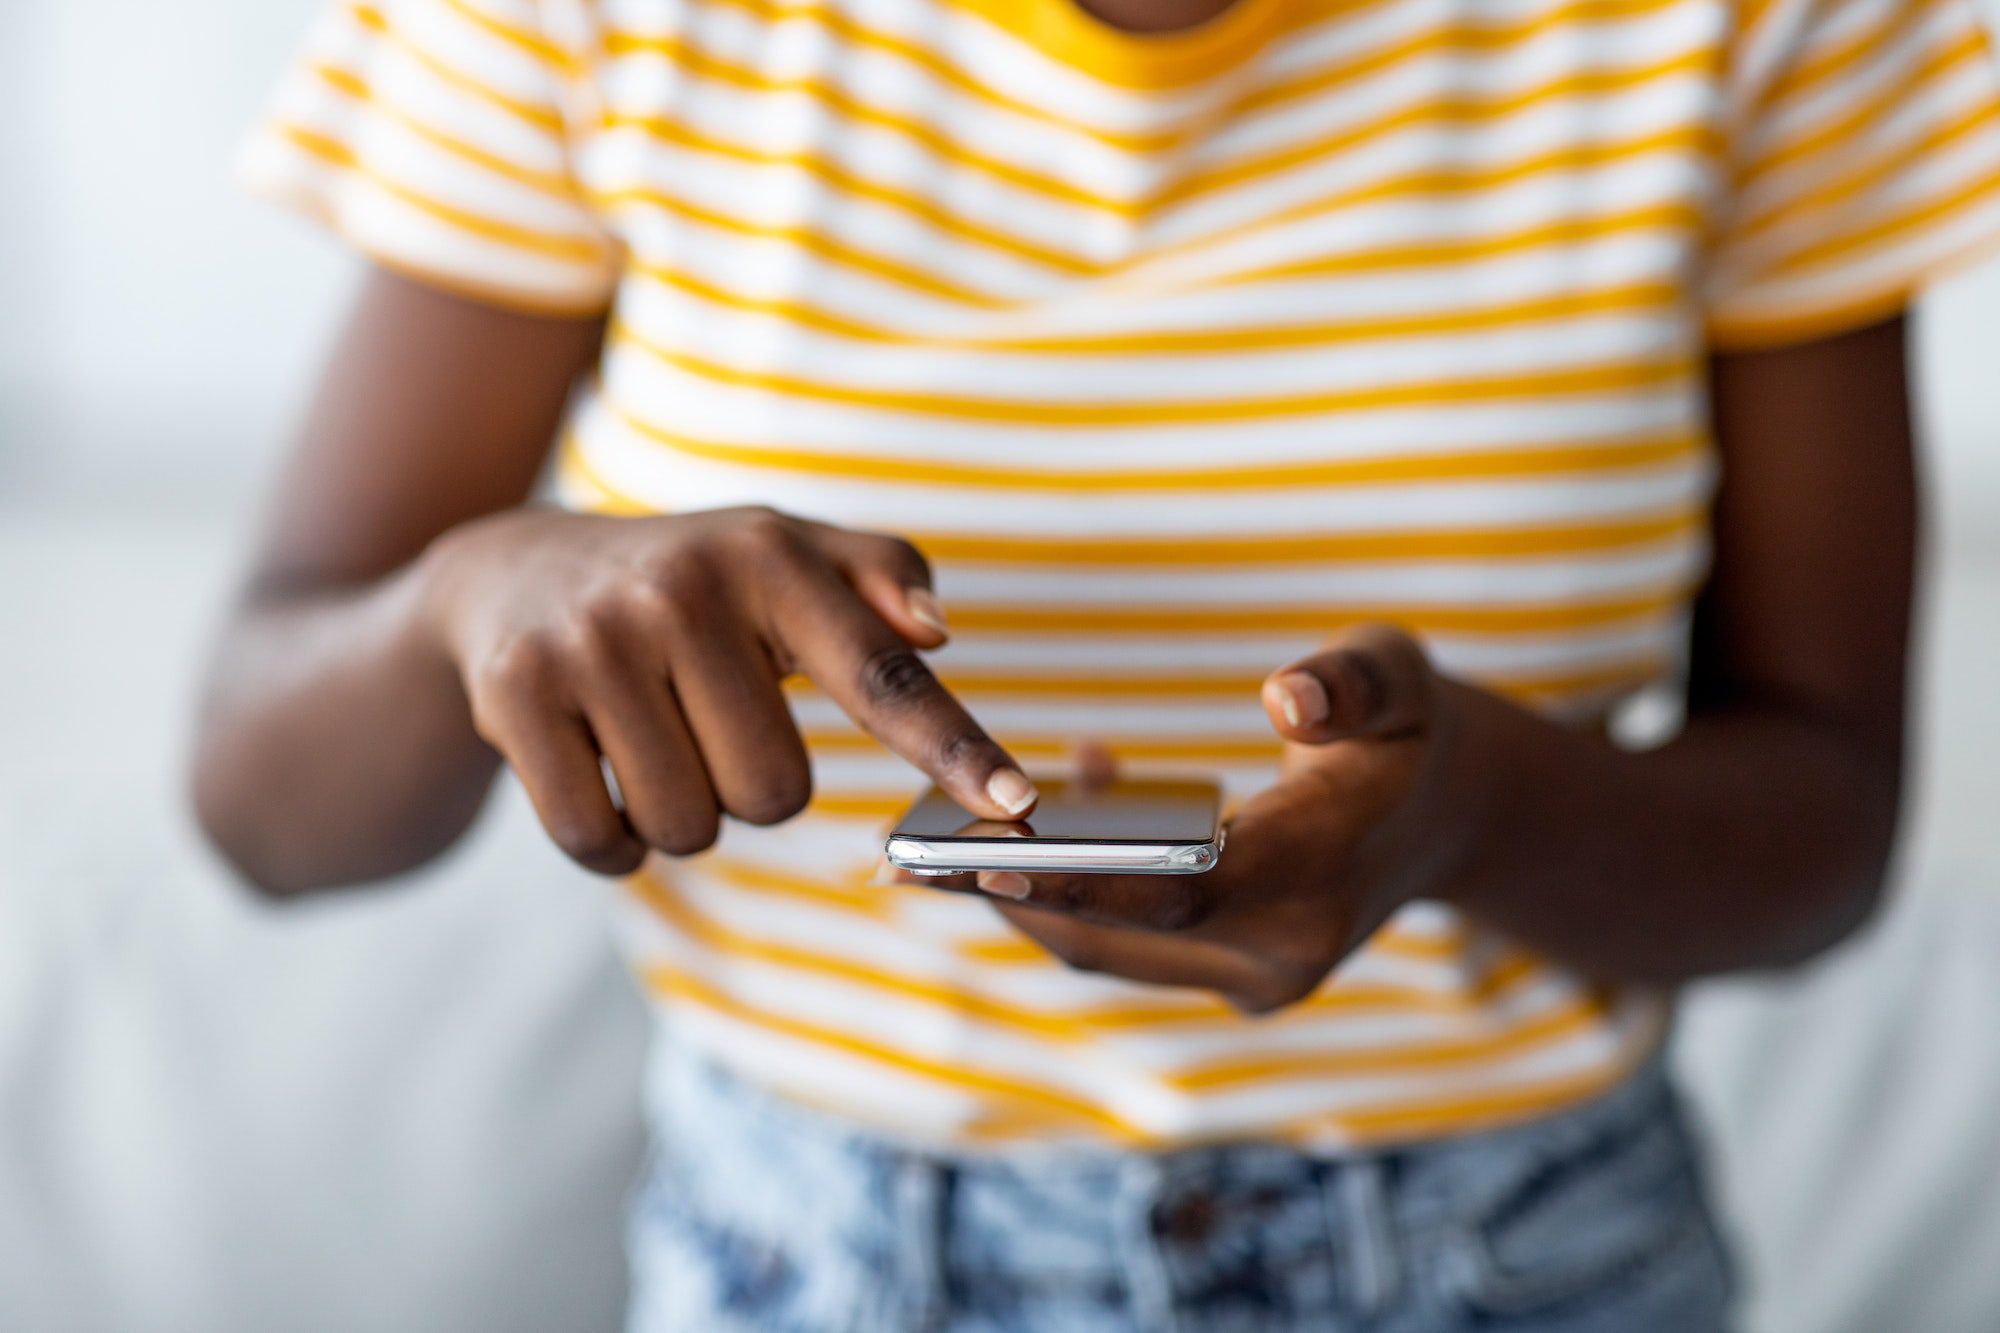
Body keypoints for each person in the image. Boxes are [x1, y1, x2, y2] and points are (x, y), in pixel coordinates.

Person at [192, 0, 2000, 1325]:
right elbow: (261, 798)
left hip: (1524, 1260)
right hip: (805, 1265)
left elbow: (1825, 823)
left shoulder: (1770, 28)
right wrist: (473, 599)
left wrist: (1477, 812)